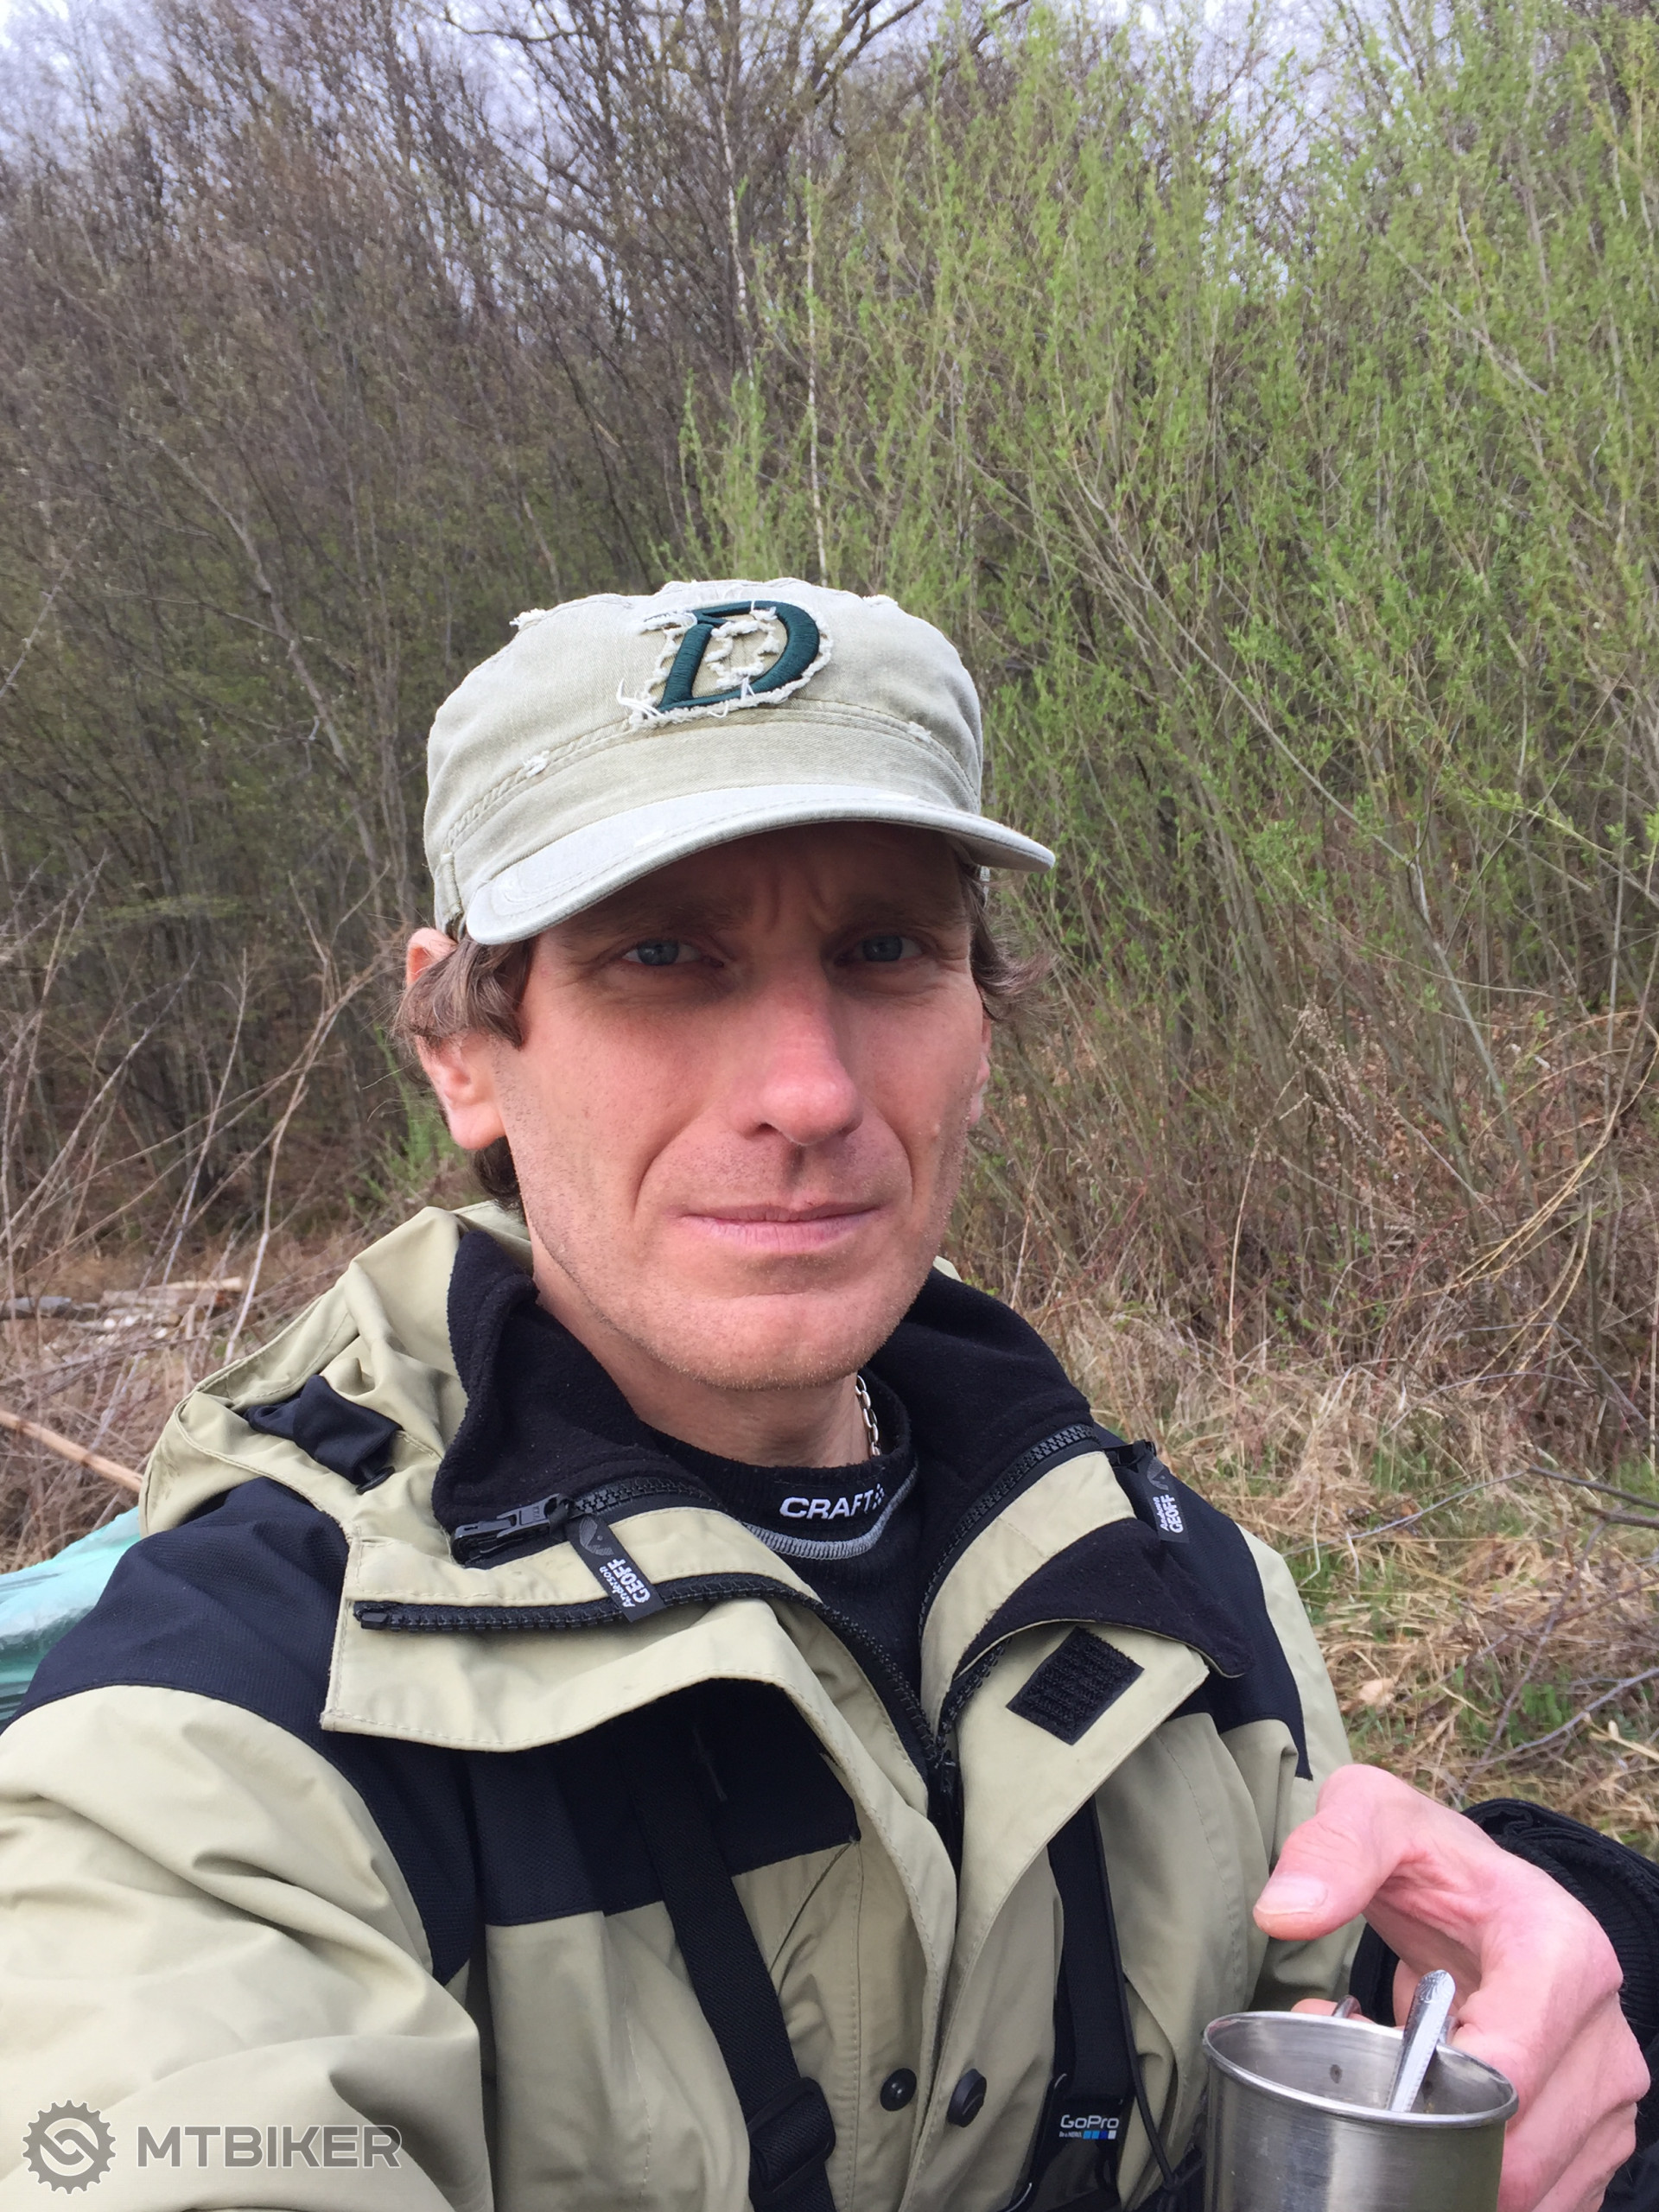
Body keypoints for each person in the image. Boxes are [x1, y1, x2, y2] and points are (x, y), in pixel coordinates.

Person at [0, 582, 1643, 2212]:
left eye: (885, 950)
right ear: (463, 1047)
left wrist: (1576, 1965)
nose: (809, 1090)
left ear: (978, 1021)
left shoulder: (1173, 1588)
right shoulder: (233, 1720)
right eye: (662, 955)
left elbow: (1366, 2037)